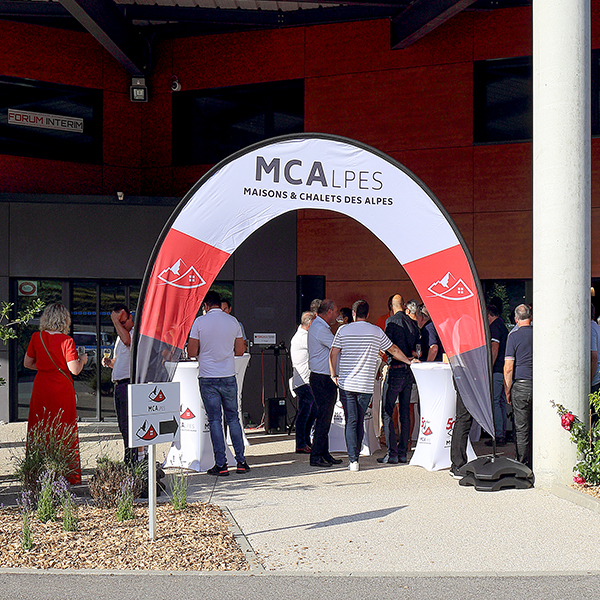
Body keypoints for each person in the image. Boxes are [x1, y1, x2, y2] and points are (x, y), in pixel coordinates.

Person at [329, 299, 415, 471]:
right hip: (365, 385)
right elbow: (393, 349)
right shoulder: (375, 331)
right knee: (360, 420)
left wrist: (333, 375)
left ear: (353, 314)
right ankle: (356, 454)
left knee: (351, 421)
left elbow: (333, 353)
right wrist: (408, 361)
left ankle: (353, 460)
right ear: (367, 314)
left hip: (346, 383)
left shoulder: (343, 330)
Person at [23, 303, 88, 485]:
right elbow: (74, 370)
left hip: (41, 387)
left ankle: (37, 472)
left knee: (40, 428)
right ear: (64, 320)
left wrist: (45, 368)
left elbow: (28, 363)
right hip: (61, 389)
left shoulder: (37, 337)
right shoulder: (67, 341)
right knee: (64, 428)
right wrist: (82, 360)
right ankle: (66, 474)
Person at [187, 290, 249, 476]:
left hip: (208, 377)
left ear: (206, 305)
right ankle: (241, 461)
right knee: (233, 419)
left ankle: (221, 464)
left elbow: (191, 351)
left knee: (215, 420)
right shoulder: (233, 321)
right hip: (228, 375)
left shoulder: (199, 322)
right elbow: (239, 351)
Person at [378, 294, 420, 464]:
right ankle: (403, 451)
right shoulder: (413, 323)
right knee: (405, 411)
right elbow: (418, 348)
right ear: (403, 305)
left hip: (395, 369)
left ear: (391, 307)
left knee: (388, 411)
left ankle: (392, 453)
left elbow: (389, 346)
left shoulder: (391, 322)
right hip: (409, 371)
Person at [308, 299, 343, 468]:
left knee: (325, 417)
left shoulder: (320, 326)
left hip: (322, 377)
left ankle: (323, 453)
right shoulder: (320, 328)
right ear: (328, 311)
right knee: (323, 417)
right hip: (322, 378)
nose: (337, 315)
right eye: (335, 311)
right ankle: (316, 455)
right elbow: (337, 346)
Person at [102, 304, 138, 465]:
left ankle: (133, 459)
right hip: (120, 383)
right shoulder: (121, 335)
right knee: (123, 425)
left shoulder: (134, 333)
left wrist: (115, 322)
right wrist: (111, 363)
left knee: (129, 425)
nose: (120, 325)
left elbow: (127, 341)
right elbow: (121, 360)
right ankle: (129, 457)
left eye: (122, 321)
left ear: (131, 317)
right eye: (118, 322)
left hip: (129, 383)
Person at [504, 304, 533, 469]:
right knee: (537, 425)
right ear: (531, 317)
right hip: (539, 385)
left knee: (521, 428)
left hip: (520, 385)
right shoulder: (539, 334)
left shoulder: (513, 336)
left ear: (515, 319)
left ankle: (522, 465)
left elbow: (508, 367)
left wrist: (507, 390)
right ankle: (538, 461)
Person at [290, 311, 317, 453]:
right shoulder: (304, 337)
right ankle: (301, 443)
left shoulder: (301, 335)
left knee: (311, 412)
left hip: (304, 380)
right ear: (310, 324)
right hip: (303, 380)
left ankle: (305, 441)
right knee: (305, 413)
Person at [487, 304, 509, 446]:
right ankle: (502, 433)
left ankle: (498, 435)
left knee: (495, 402)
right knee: (500, 402)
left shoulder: (494, 327)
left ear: (489, 315)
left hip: (496, 369)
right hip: (503, 369)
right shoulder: (502, 324)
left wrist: (490, 366)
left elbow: (494, 348)